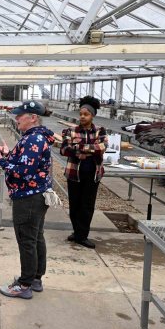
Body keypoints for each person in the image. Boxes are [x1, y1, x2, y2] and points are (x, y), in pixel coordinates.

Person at [0, 100, 54, 299]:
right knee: (36, 237)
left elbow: (22, 171)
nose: (17, 118)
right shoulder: (35, 137)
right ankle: (36, 278)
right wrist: (8, 154)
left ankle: (24, 284)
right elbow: (24, 162)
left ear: (33, 118)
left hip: (28, 197)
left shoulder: (33, 140)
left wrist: (1, 161)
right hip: (37, 194)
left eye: (21, 115)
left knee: (27, 239)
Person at [60, 96, 108, 249]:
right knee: (74, 204)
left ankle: (82, 235)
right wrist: (90, 149)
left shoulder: (100, 130)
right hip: (75, 173)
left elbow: (103, 146)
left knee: (87, 205)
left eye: (86, 114)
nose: (82, 116)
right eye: (81, 114)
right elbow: (64, 149)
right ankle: (77, 232)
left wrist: (79, 149)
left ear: (92, 115)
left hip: (93, 174)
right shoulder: (70, 130)